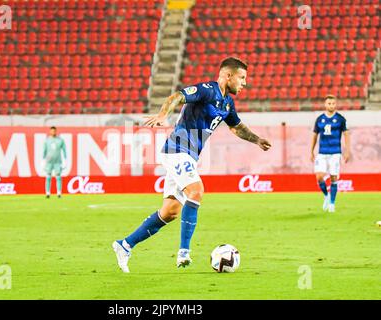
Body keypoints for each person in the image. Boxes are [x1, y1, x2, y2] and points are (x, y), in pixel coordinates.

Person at [112, 57, 272, 273]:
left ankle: (124, 245)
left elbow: (236, 127)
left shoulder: (227, 102)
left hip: (188, 155)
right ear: (228, 75)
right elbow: (177, 96)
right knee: (196, 191)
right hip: (177, 149)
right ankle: (184, 253)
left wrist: (257, 140)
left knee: (170, 212)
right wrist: (162, 115)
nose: (244, 83)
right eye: (242, 78)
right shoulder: (207, 90)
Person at [310, 95, 350, 213]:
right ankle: (326, 196)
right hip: (322, 152)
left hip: (335, 152)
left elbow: (346, 134)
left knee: (333, 177)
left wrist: (347, 151)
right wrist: (311, 151)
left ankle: (332, 203)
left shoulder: (340, 119)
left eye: (333, 103)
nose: (331, 105)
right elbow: (315, 135)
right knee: (319, 176)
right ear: (325, 104)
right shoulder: (319, 119)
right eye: (329, 103)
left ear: (335, 104)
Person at [42, 126, 67, 198]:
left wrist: (65, 160)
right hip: (49, 161)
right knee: (48, 177)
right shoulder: (46, 140)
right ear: (50, 132)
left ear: (56, 131)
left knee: (58, 177)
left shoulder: (60, 140)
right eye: (52, 131)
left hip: (57, 161)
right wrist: (43, 160)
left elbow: (64, 150)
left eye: (54, 131)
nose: (53, 132)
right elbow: (44, 151)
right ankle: (47, 193)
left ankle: (59, 193)